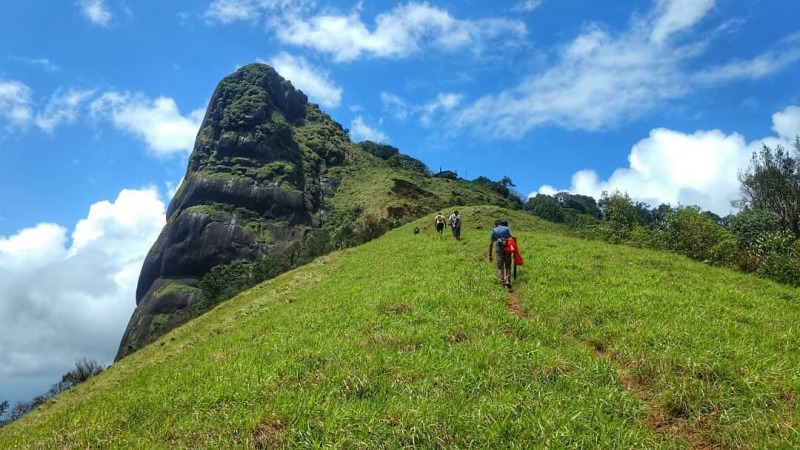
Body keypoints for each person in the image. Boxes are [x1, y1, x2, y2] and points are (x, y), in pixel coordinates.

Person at [489, 218, 514, 291]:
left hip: (499, 250)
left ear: (495, 225)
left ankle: (501, 283)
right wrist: (514, 247)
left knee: (500, 267)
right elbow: (514, 237)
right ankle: (508, 281)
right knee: (508, 265)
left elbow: (490, 244)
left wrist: (490, 255)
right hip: (508, 249)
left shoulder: (494, 231)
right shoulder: (507, 228)